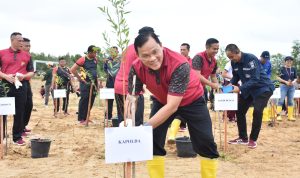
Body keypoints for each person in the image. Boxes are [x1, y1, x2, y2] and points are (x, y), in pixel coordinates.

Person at [127, 27, 219, 178]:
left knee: (205, 141)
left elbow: (172, 106)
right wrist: (128, 121)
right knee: (153, 140)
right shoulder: (136, 68)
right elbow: (132, 97)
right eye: (145, 55)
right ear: (137, 55)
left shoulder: (179, 64)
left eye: (155, 52)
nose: (152, 58)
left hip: (192, 100)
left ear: (161, 45)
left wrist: (143, 129)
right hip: (162, 100)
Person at [225, 44, 274, 149]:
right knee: (240, 111)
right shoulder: (234, 62)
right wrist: (230, 85)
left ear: (238, 52)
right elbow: (236, 76)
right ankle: (243, 138)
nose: (231, 59)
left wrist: (240, 88)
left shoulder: (251, 59)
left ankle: (253, 139)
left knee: (257, 111)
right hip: (249, 89)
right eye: (229, 58)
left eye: (232, 57)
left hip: (263, 88)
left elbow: (255, 78)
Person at [0, 32, 34, 146]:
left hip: (21, 85)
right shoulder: (2, 53)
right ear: (12, 40)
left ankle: (17, 137)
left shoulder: (27, 55)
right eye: (19, 40)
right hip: (5, 85)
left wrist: (24, 76)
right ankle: (1, 135)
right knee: (2, 111)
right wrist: (5, 76)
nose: (21, 43)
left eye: (22, 41)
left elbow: (31, 72)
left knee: (20, 111)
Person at [167, 43, 192, 143]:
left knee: (184, 115)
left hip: (190, 92)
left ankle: (177, 133)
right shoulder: (177, 61)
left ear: (188, 50)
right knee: (178, 113)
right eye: (181, 49)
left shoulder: (192, 62)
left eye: (184, 50)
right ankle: (172, 136)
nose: (182, 52)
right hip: (178, 92)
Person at [114, 44, 144, 126]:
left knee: (122, 120)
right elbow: (140, 69)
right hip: (132, 87)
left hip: (119, 85)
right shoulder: (141, 49)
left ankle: (123, 138)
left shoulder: (127, 48)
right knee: (135, 121)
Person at [70, 45, 100, 124]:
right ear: (90, 52)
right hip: (85, 83)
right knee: (84, 100)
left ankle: (87, 117)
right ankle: (81, 119)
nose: (96, 54)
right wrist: (79, 78)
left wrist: (98, 83)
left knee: (91, 99)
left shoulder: (95, 60)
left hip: (94, 83)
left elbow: (95, 71)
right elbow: (72, 69)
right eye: (94, 52)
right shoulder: (82, 59)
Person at [192, 38, 220, 102]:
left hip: (202, 87)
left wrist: (217, 85)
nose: (216, 51)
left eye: (217, 49)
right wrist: (211, 84)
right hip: (192, 88)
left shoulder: (214, 61)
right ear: (207, 47)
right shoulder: (198, 57)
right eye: (214, 49)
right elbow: (197, 75)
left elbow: (213, 76)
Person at [276, 56, 297, 121]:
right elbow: (277, 77)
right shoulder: (281, 68)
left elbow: (295, 77)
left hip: (291, 87)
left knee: (290, 101)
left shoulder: (293, 69)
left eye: (290, 61)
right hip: (283, 86)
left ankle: (290, 116)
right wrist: (285, 82)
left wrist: (293, 82)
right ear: (285, 62)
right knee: (281, 100)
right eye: (287, 61)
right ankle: (278, 116)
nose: (289, 62)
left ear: (292, 62)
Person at [103, 46, 120, 121]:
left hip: (119, 82)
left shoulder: (121, 60)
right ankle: (108, 116)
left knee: (119, 100)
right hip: (109, 82)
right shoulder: (107, 60)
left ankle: (120, 116)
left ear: (117, 52)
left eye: (115, 51)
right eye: (112, 51)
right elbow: (105, 69)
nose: (113, 53)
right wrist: (110, 75)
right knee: (109, 100)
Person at [22, 37, 33, 135]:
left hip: (26, 82)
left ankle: (23, 125)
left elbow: (30, 70)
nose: (28, 48)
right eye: (26, 46)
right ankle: (19, 129)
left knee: (29, 105)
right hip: (15, 83)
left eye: (29, 46)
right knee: (21, 106)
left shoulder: (29, 56)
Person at [260, 51, 272, 122]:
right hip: (257, 84)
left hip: (265, 84)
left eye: (267, 59)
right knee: (255, 102)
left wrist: (267, 79)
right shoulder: (256, 63)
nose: (265, 60)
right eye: (264, 59)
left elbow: (269, 72)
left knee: (265, 101)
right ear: (261, 57)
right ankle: (252, 118)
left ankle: (265, 117)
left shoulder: (269, 63)